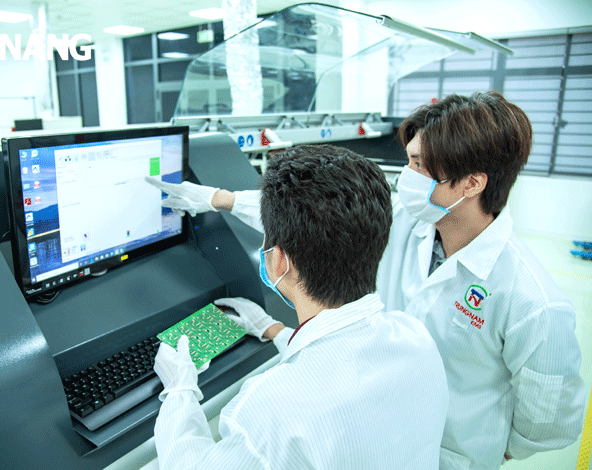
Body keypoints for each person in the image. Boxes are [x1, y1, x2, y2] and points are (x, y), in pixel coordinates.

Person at [147, 91, 586, 470]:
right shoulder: (413, 227)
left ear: (471, 183)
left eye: (418, 165)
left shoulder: (532, 300)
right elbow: (318, 215)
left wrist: (481, 448)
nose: (406, 176)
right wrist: (219, 199)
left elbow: (549, 422)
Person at [152, 144, 449, 470]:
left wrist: (179, 391)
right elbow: (343, 359)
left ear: (278, 261)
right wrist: (276, 331)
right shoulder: (416, 337)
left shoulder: (267, 410)